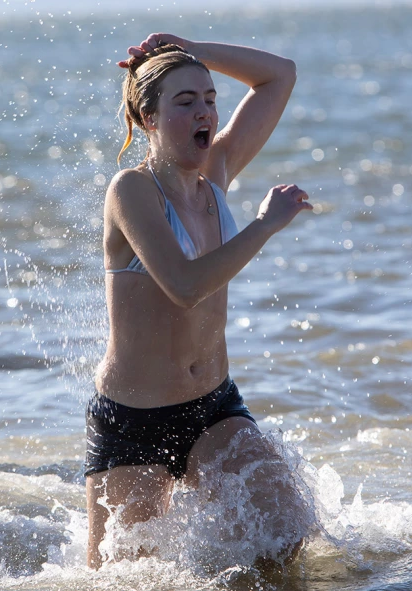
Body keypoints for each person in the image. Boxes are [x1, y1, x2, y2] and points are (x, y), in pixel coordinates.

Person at [85, 34, 315, 569]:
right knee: (123, 580)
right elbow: (185, 287)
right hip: (133, 421)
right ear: (148, 119)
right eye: (184, 102)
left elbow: (280, 75)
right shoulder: (131, 190)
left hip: (213, 405)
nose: (204, 111)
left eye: (209, 99)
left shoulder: (214, 173)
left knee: (287, 543)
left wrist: (190, 51)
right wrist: (264, 225)